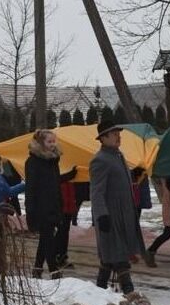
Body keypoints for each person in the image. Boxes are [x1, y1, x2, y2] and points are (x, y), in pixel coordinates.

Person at [89, 120, 146, 294]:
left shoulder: (117, 155)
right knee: (119, 255)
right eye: (114, 134)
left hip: (123, 212)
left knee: (109, 257)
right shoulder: (100, 160)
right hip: (110, 214)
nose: (118, 137)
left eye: (118, 134)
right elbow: (96, 191)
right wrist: (101, 215)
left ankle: (98, 291)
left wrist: (132, 175)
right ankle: (129, 292)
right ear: (103, 138)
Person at [24, 129, 76, 279]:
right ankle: (53, 270)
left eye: (54, 141)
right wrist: (30, 211)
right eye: (49, 141)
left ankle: (37, 268)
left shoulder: (53, 160)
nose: (53, 144)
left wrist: (69, 176)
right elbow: (31, 188)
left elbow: (54, 181)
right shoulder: (33, 162)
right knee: (48, 238)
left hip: (53, 205)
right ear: (41, 143)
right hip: (41, 207)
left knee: (46, 238)